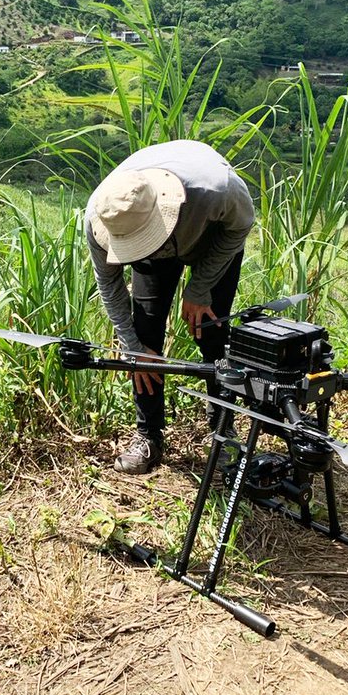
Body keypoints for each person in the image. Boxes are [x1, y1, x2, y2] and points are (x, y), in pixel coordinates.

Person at [86, 139, 255, 474]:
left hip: (209, 236)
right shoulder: (104, 215)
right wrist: (131, 347)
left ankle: (222, 431)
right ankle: (148, 435)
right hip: (151, 251)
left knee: (211, 331)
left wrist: (199, 288)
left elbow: (241, 225)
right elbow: (109, 284)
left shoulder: (214, 190)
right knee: (143, 337)